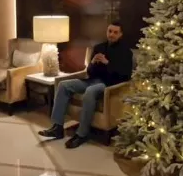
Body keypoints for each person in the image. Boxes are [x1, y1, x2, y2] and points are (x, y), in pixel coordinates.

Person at [38, 21, 133, 149]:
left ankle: (82, 134)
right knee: (63, 85)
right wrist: (92, 62)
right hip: (92, 80)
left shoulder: (126, 52)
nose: (111, 34)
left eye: (115, 32)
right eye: (110, 31)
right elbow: (89, 72)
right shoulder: (99, 47)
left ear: (120, 34)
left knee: (90, 91)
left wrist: (107, 63)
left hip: (108, 84)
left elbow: (125, 76)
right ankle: (57, 127)